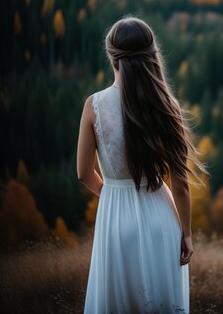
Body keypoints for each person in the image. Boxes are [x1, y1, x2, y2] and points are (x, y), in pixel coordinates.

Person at [77, 16, 206, 313]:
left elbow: (84, 173)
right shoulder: (166, 105)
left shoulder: (93, 106)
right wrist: (186, 233)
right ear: (152, 56)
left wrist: (114, 195)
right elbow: (181, 185)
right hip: (161, 219)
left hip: (114, 220)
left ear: (112, 57)